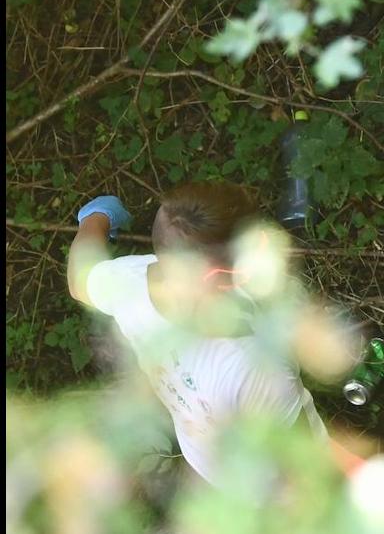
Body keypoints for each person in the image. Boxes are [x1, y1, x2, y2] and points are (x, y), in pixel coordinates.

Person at [67, 182, 327, 488]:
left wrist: (96, 217)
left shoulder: (128, 283)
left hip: (206, 461)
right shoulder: (255, 364)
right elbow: (302, 462)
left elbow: (79, 281)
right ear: (221, 277)